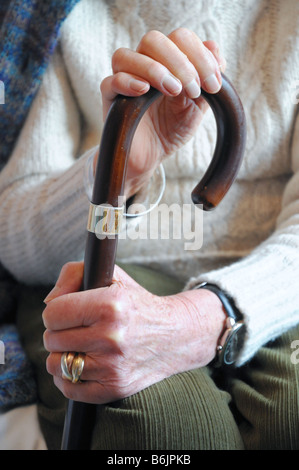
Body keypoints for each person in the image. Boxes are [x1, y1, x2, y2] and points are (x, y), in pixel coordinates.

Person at [0, 0, 299, 450]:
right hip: (110, 275)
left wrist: (206, 319)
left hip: (273, 286)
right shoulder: (55, 15)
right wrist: (122, 170)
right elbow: (15, 244)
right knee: (164, 433)